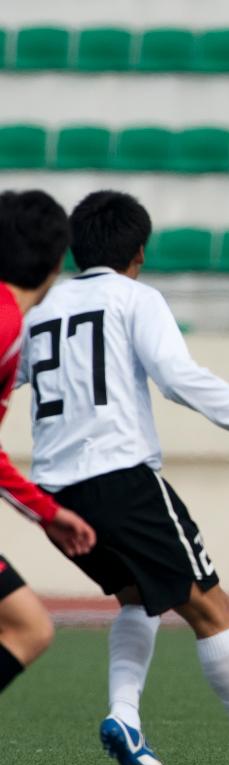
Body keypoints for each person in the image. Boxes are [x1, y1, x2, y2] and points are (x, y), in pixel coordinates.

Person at [19, 190, 229, 765]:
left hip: (55, 493)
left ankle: (125, 717)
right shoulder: (136, 298)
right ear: (139, 252)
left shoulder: (40, 309)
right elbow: (181, 380)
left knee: (139, 600)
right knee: (212, 610)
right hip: (124, 478)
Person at [0, 190, 97, 697]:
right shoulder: (5, 323)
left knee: (28, 627)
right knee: (28, 628)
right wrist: (45, 511)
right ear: (57, 262)